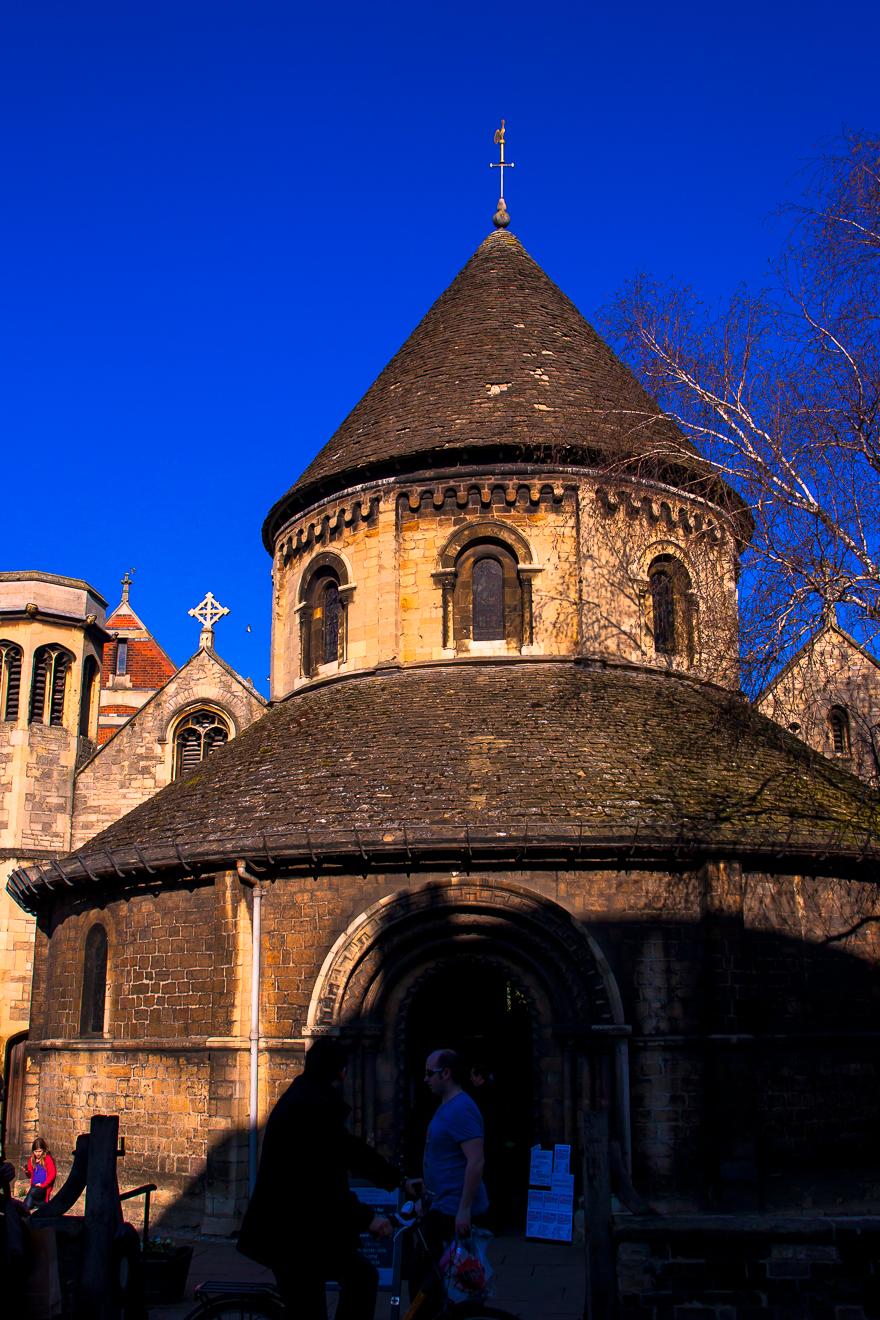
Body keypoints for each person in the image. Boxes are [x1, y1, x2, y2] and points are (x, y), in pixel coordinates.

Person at [237, 1037, 421, 1320]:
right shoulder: (311, 1106)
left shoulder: (309, 1098)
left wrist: (400, 1181)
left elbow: (348, 1149)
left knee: (360, 1275)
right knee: (358, 1278)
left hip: (302, 1230)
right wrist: (367, 1219)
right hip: (291, 1236)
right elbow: (318, 1183)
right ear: (342, 1072)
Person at [408, 1049, 488, 1310]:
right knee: (438, 1276)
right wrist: (427, 1199)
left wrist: (464, 1211)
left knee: (422, 1272)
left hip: (453, 1210)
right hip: (441, 1206)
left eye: (429, 1073)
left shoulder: (462, 1109)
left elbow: (476, 1160)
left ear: (446, 1073)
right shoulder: (447, 1106)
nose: (425, 1079)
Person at [23, 1138, 56, 1210]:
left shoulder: (47, 1158)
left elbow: (52, 1173)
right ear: (33, 1151)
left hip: (43, 1187)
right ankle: (36, 1202)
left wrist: (43, 1184)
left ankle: (42, 1202)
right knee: (26, 1206)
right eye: (36, 1152)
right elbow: (30, 1175)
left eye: (40, 1151)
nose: (38, 1154)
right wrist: (27, 1172)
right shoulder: (31, 1160)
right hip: (34, 1187)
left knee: (33, 1192)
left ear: (43, 1150)